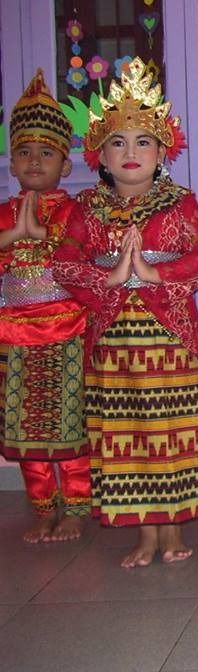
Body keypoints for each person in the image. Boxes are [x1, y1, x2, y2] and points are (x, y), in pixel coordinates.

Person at [52, 58, 198, 566]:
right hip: (112, 340)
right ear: (100, 154)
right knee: (127, 432)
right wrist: (107, 278)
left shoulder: (179, 203)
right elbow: (64, 262)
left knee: (171, 429)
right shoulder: (85, 208)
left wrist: (154, 273)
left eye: (143, 141)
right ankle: (145, 532)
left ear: (162, 152)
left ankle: (173, 528)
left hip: (169, 336)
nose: (130, 153)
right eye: (118, 143)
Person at [0, 70, 89, 543]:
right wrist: (12, 236)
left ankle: (76, 506)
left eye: (47, 152)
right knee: (25, 426)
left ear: (66, 165)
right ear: (12, 163)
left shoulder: (76, 211)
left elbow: (85, 259)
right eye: (24, 152)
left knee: (69, 424)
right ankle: (42, 507)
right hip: (12, 338)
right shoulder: (3, 214)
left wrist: (42, 236)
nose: (35, 161)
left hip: (67, 334)